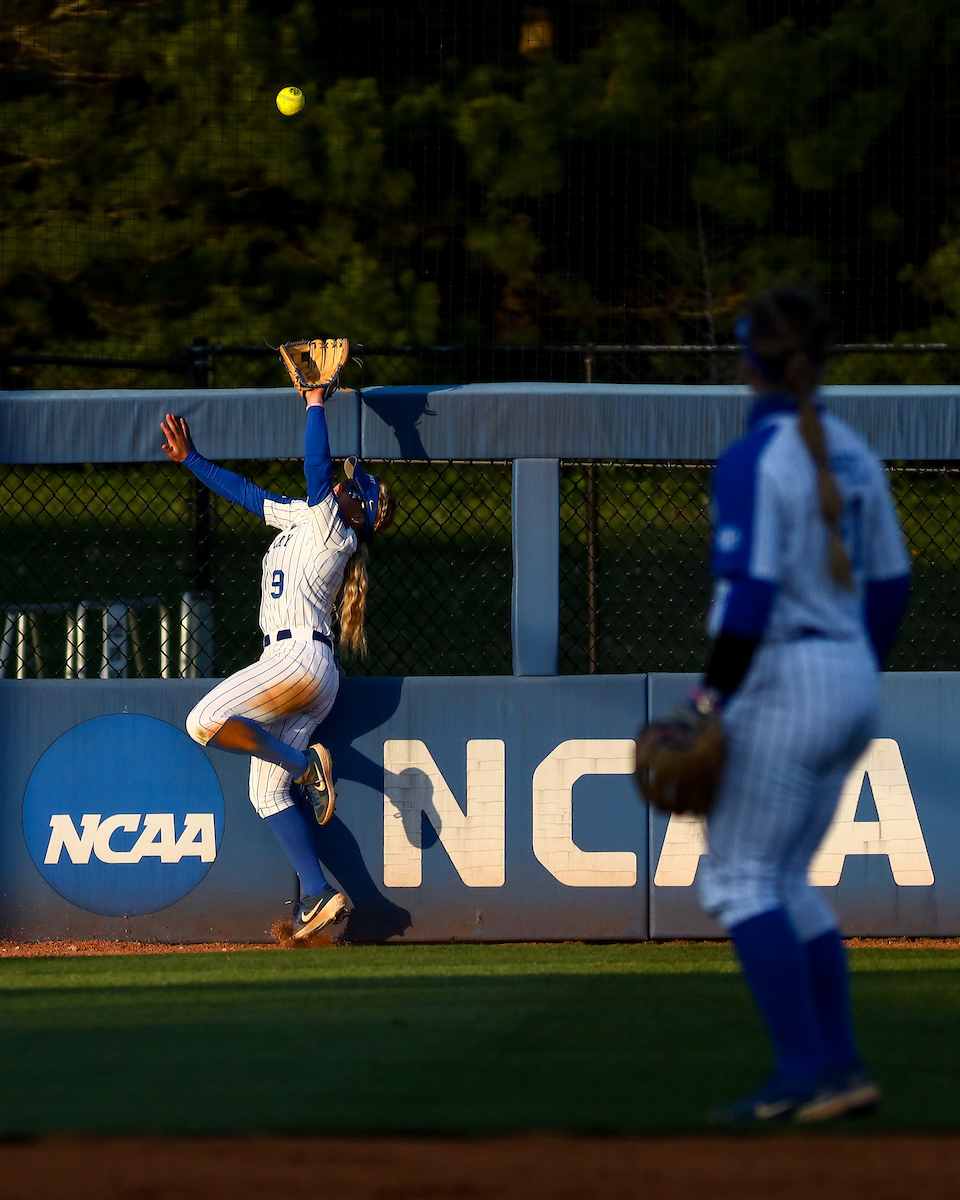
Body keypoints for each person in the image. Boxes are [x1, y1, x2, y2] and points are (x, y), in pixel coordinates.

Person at [690, 287, 911, 1122]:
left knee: (741, 876)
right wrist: (854, 673)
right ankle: (842, 1067)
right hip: (850, 672)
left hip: (781, 674)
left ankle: (803, 1074)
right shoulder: (853, 449)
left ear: (750, 362)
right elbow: (892, 586)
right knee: (787, 877)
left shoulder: (756, 459)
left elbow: (750, 596)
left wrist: (709, 698)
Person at [160, 386, 396, 939]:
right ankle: (316, 895)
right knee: (263, 793)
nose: (340, 479)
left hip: (293, 658)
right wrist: (192, 461)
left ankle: (301, 764)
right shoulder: (306, 517)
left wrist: (315, 401)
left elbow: (316, 464)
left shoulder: (329, 523)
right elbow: (246, 493)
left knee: (201, 723)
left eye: (349, 484)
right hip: (315, 673)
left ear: (351, 505)